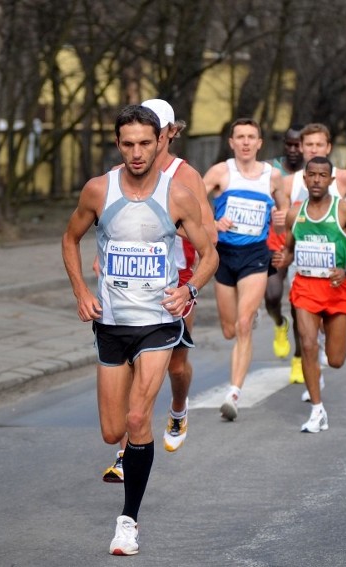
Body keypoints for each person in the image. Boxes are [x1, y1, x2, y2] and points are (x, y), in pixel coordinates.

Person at [61, 104, 217, 555]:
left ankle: (127, 521)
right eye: (127, 143)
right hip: (111, 323)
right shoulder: (97, 191)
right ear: (118, 144)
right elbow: (70, 238)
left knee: (136, 419)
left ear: (160, 141)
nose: (136, 152)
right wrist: (79, 292)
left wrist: (189, 291)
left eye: (145, 143)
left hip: (158, 324)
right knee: (113, 432)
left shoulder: (178, 195)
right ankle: (128, 464)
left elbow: (209, 255)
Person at [99, 99, 218, 484]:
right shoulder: (120, 173)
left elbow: (209, 238)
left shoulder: (187, 177)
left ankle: (179, 408)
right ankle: (126, 451)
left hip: (178, 283)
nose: (150, 144)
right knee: (137, 369)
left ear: (168, 133)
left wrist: (168, 226)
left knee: (177, 366)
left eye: (160, 134)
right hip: (131, 290)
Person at [271, 156, 346, 432]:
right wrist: (284, 258)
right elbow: (290, 248)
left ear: (330, 180)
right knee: (307, 344)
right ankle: (317, 410)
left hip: (337, 288)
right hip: (305, 287)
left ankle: (330, 337)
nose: (316, 180)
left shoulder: (345, 210)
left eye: (322, 175)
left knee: (336, 359)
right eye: (311, 175)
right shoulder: (295, 213)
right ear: (305, 179)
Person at [280, 122, 346, 386]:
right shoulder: (290, 182)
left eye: (319, 145)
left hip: (334, 269)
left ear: (329, 147)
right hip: (302, 263)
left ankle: (327, 346)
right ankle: (308, 366)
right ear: (301, 148)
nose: (314, 149)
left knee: (329, 333)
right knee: (304, 324)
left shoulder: (343, 178)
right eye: (309, 144)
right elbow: (280, 215)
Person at [203, 118, 289, 421]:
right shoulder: (220, 173)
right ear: (231, 142)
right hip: (224, 256)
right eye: (240, 137)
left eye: (251, 137)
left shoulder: (272, 176)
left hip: (255, 255)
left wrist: (281, 217)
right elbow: (190, 204)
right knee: (229, 330)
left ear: (260, 143)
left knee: (242, 324)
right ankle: (248, 318)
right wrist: (212, 222)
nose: (246, 142)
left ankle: (233, 394)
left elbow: (285, 206)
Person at [264, 125, 304, 373]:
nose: (293, 149)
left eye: (298, 144)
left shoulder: (314, 171)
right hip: (275, 243)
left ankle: (299, 359)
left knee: (300, 305)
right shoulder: (270, 170)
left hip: (303, 247)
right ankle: (280, 324)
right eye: (289, 144)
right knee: (272, 296)